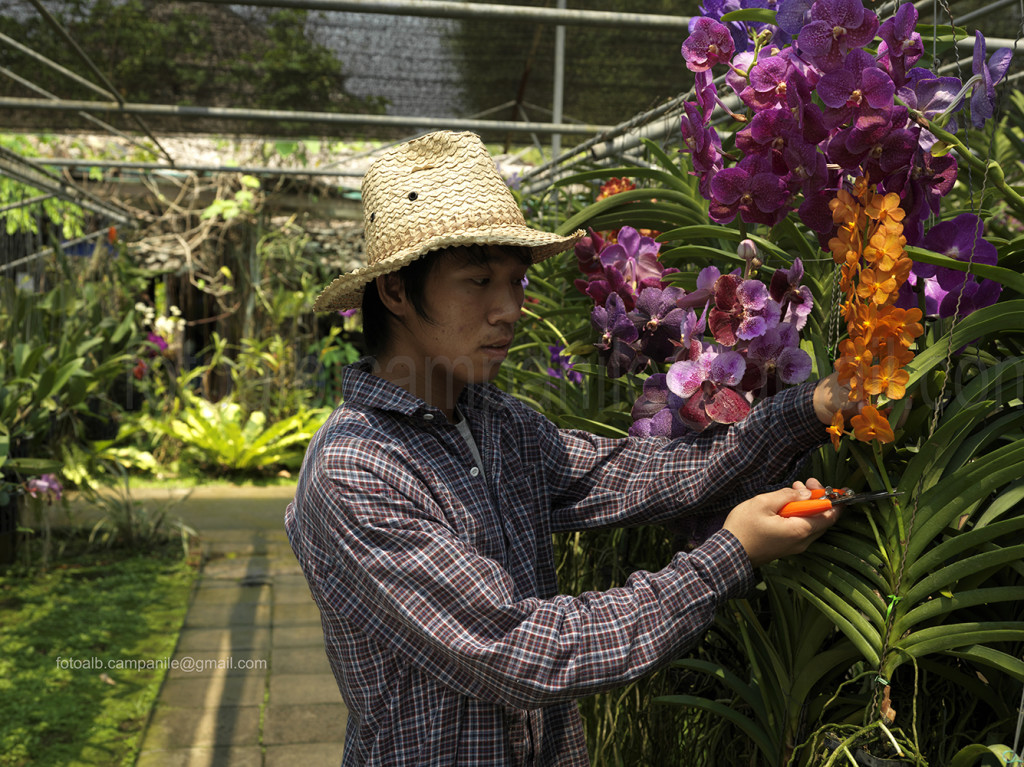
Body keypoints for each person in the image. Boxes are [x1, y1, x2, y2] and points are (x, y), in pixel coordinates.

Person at [286, 130, 851, 766]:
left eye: (516, 283)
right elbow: (522, 651)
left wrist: (809, 409)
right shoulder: (356, 470)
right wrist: (731, 554)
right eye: (477, 281)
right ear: (393, 291)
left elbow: (636, 473)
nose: (509, 310)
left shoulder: (498, 424)